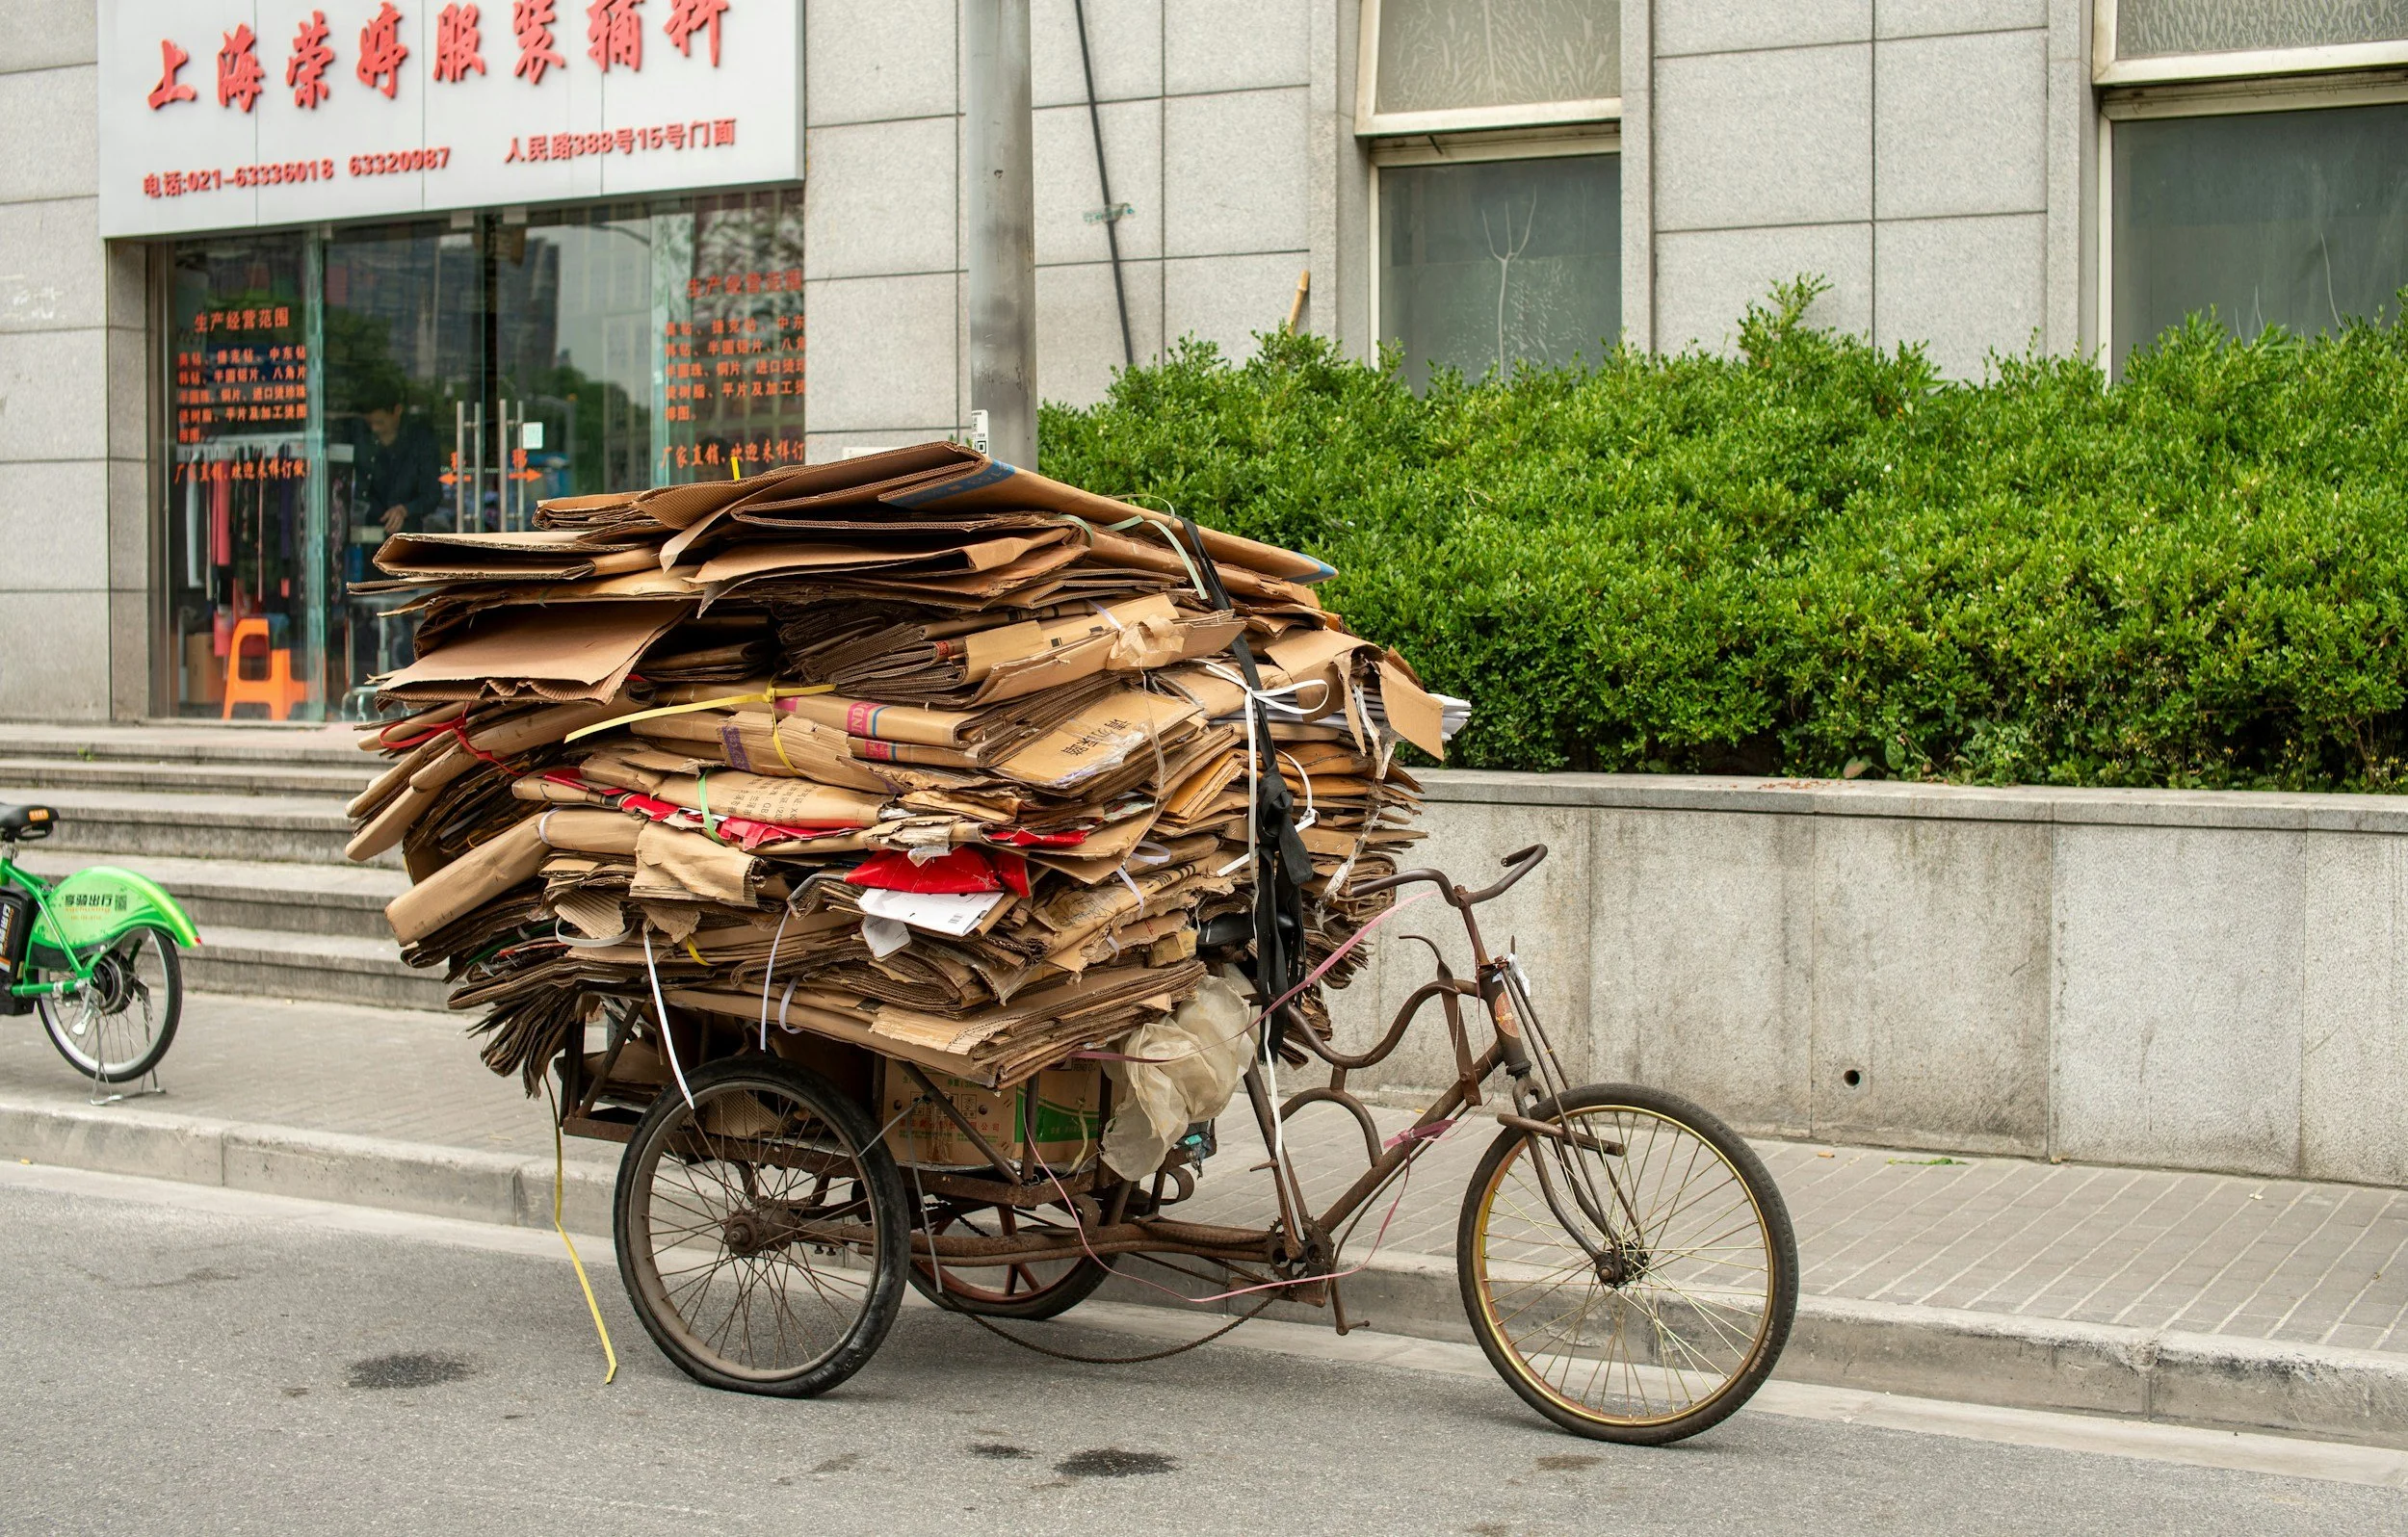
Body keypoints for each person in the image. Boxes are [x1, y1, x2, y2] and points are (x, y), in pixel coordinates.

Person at [356, 383, 442, 534]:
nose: (375, 429)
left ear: (397, 411)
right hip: (364, 531)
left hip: (407, 534)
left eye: (380, 422)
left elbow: (432, 494)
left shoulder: (420, 441)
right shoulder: (361, 436)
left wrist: (406, 510)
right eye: (371, 423)